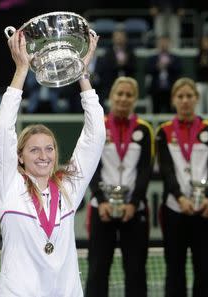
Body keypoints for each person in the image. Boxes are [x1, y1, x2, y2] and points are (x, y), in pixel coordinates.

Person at [0, 30, 105, 296]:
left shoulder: (68, 187)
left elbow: (96, 135)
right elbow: (4, 131)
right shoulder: (10, 184)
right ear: (20, 156)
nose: (43, 155)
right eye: (34, 150)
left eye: (49, 148)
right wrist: (21, 71)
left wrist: (83, 74)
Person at [85, 76, 154, 297]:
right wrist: (101, 200)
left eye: (129, 95)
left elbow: (145, 171)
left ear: (135, 99)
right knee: (97, 270)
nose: (123, 99)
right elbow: (90, 167)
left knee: (135, 272)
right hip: (102, 209)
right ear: (111, 97)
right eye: (120, 94)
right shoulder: (98, 126)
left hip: (133, 211)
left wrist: (134, 203)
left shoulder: (144, 130)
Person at [156, 77, 208, 297]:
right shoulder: (163, 132)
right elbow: (166, 170)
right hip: (175, 209)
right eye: (180, 96)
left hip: (205, 209)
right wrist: (179, 198)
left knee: (204, 271)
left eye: (189, 96)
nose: (185, 101)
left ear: (197, 99)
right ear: (174, 100)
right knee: (175, 272)